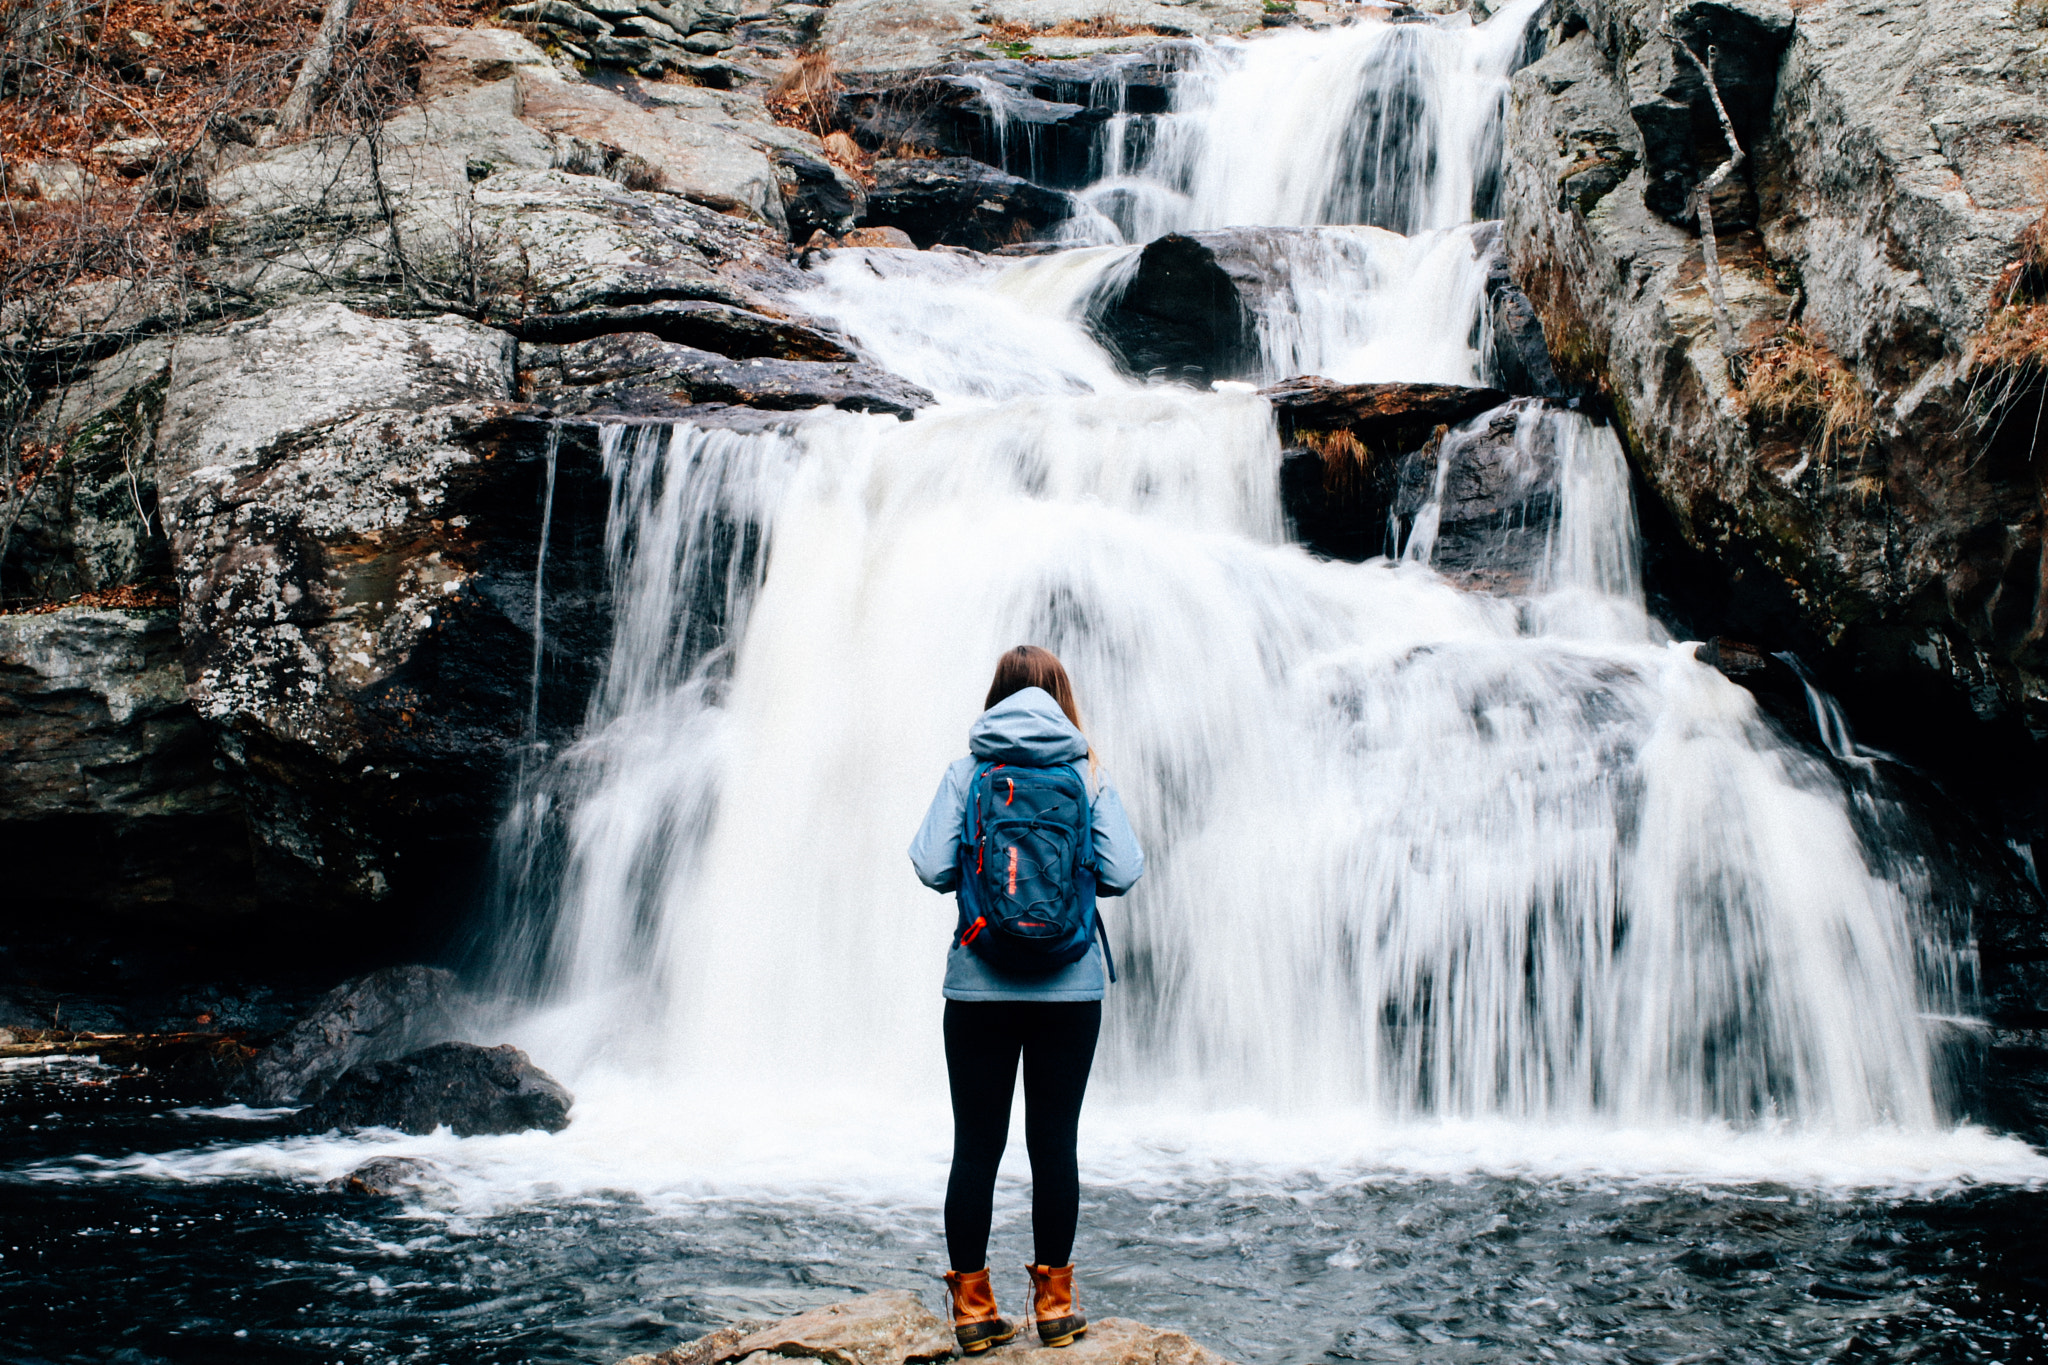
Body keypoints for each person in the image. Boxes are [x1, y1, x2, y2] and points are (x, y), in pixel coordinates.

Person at [908, 646, 1146, 1354]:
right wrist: (1064, 885)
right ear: (1062, 698)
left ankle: (974, 1309)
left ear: (997, 696)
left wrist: (986, 882)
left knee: (976, 1144)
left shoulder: (969, 770)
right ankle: (1056, 1306)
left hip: (978, 982)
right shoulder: (1087, 773)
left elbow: (928, 863)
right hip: (1070, 986)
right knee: (1054, 1144)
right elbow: (1124, 870)